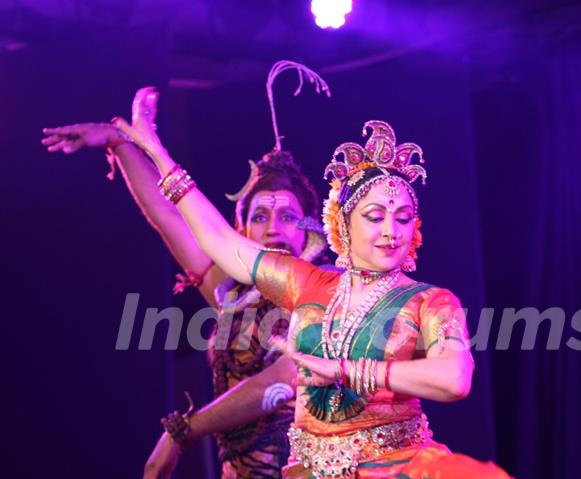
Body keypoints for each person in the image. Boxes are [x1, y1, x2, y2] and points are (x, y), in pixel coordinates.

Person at [85, 86, 510, 478]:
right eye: (375, 217)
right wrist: (155, 151)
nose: (390, 232)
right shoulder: (303, 284)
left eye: (402, 219)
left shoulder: (430, 301)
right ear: (343, 225)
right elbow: (212, 236)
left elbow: (455, 379)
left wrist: (345, 369)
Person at [41, 63, 332, 479]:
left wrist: (182, 431)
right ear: (240, 232)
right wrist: (120, 144)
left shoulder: (326, 293)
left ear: (309, 232)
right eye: (260, 216)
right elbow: (170, 219)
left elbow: (283, 377)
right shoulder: (230, 293)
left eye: (287, 216)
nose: (272, 228)